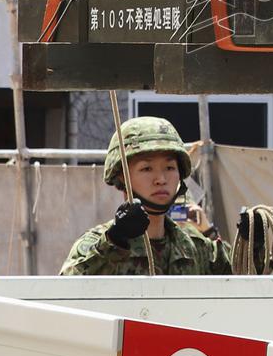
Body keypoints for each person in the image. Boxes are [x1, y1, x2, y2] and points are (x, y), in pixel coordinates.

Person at [60, 116, 232, 276]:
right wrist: (115, 242)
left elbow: (244, 274)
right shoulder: (98, 244)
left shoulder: (193, 248)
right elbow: (66, 291)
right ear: (122, 176)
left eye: (170, 168)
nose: (161, 179)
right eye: (146, 169)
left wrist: (253, 240)